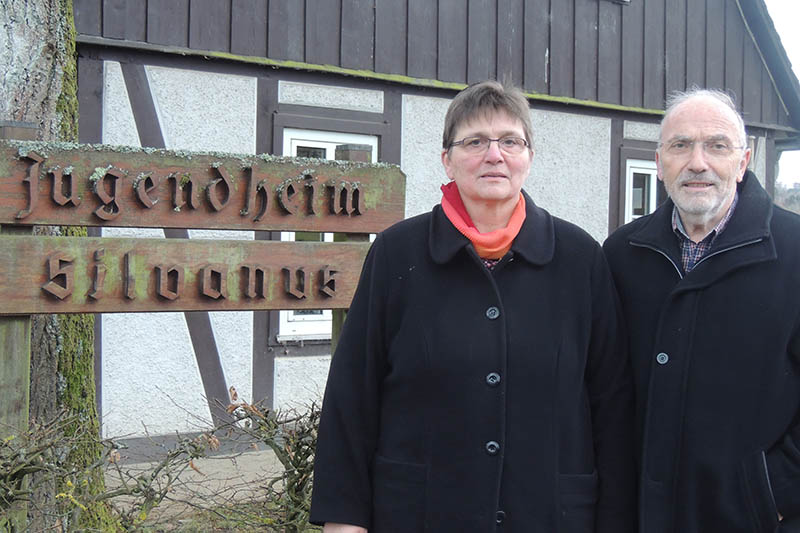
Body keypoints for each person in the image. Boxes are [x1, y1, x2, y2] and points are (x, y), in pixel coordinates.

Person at [310, 80, 635, 533]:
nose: (494, 154)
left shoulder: (581, 258)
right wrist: (343, 519)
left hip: (550, 515)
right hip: (419, 512)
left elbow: (612, 404)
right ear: (447, 158)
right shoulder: (396, 254)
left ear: (529, 157)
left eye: (510, 141)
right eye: (474, 141)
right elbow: (353, 393)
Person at [603, 88, 800, 532]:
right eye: (680, 145)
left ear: (743, 160)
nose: (697, 162)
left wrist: (771, 493)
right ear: (659, 161)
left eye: (716, 145)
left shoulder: (794, 253)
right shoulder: (621, 255)